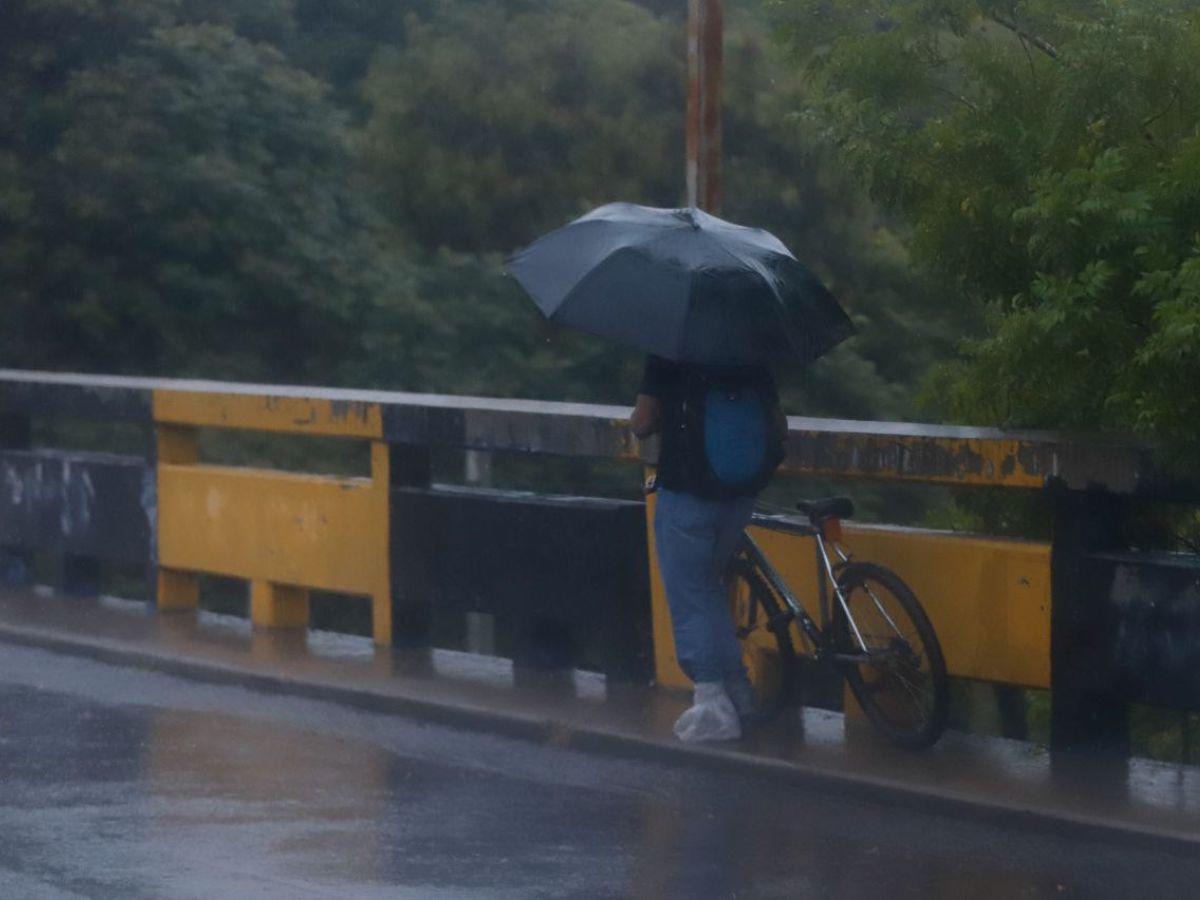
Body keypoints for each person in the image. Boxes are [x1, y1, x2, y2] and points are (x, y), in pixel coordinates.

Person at [631, 354, 786, 742]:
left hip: (688, 496)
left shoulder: (668, 353)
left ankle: (712, 702)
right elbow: (779, 426)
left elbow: (643, 422)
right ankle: (741, 692)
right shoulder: (751, 355)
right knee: (709, 587)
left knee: (691, 594)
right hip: (739, 497)